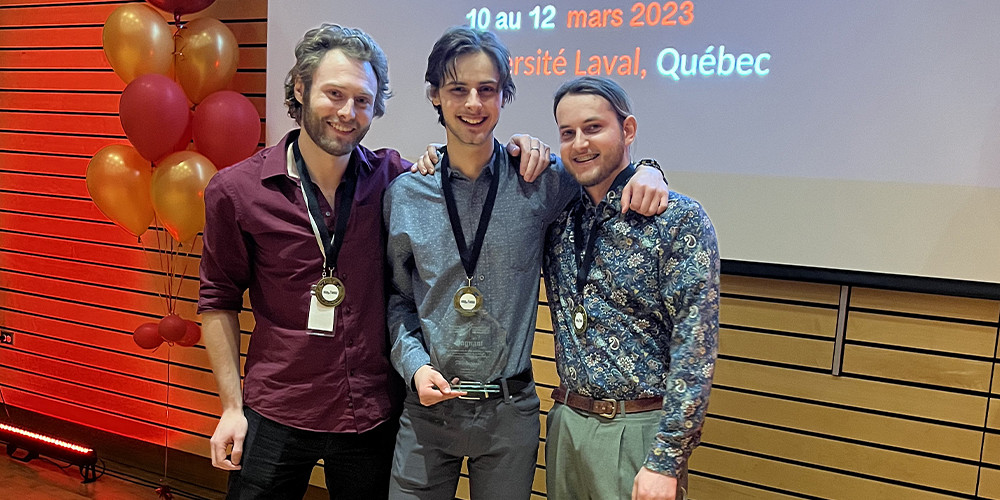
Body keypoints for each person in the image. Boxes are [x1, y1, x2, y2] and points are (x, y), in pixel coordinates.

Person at [198, 24, 555, 500]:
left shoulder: (394, 179)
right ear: (300, 88)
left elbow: (459, 166)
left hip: (369, 414)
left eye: (362, 100)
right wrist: (230, 406)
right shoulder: (237, 191)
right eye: (334, 94)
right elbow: (217, 300)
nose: (348, 112)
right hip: (277, 409)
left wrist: (525, 145)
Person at [382, 28, 670, 500]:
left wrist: (650, 169)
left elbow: (606, 170)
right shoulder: (407, 194)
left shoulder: (539, 179)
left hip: (508, 412)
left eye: (487, 89)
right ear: (435, 95)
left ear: (504, 96)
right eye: (458, 89)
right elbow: (398, 299)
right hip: (428, 410)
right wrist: (414, 366)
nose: (473, 103)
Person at [542, 76, 719, 500]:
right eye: (567, 133)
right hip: (567, 423)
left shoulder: (677, 220)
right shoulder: (557, 216)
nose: (580, 144)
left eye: (593, 128)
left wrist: (666, 459)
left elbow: (694, 350)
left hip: (638, 429)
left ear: (628, 129)